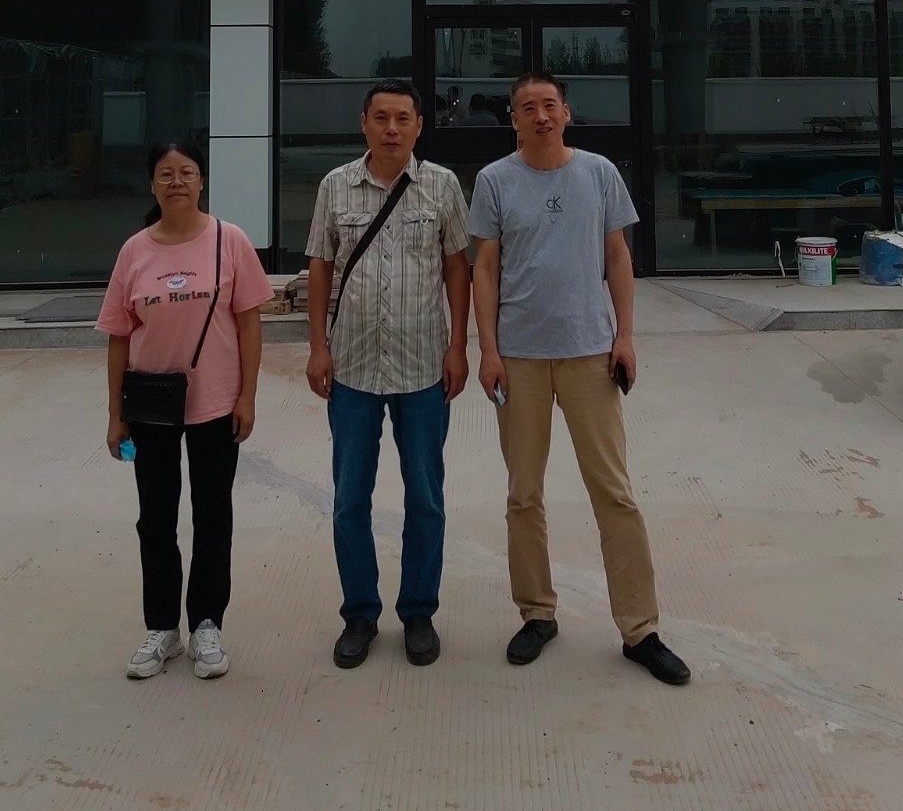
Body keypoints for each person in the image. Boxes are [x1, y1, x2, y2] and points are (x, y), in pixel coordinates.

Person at [469, 72, 691, 686]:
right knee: (523, 494)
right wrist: (487, 350)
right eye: (527, 107)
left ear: (567, 112)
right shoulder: (494, 181)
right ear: (513, 119)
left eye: (549, 105)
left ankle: (640, 629)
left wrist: (625, 336)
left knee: (614, 492)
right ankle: (537, 613)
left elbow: (617, 255)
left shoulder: (599, 173)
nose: (540, 115)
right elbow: (485, 268)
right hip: (519, 358)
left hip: (590, 353)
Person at [305, 80, 471, 670]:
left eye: (403, 118)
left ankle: (419, 611)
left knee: (425, 496)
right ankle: (360, 613)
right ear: (364, 123)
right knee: (350, 497)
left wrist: (459, 346)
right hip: (352, 366)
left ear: (419, 125)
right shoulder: (335, 186)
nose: (392, 128)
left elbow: (458, 268)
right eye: (381, 117)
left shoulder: (443, 186)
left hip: (424, 365)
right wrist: (318, 346)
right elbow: (320, 266)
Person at [98, 141, 274, 680]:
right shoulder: (134, 251)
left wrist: (247, 396)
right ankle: (162, 628)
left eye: (187, 172)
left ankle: (206, 625)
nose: (177, 181)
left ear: (202, 181)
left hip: (215, 401)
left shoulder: (230, 240)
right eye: (165, 173)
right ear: (152, 184)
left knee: (213, 515)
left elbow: (249, 323)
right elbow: (119, 336)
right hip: (150, 405)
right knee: (155, 518)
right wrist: (115, 414)